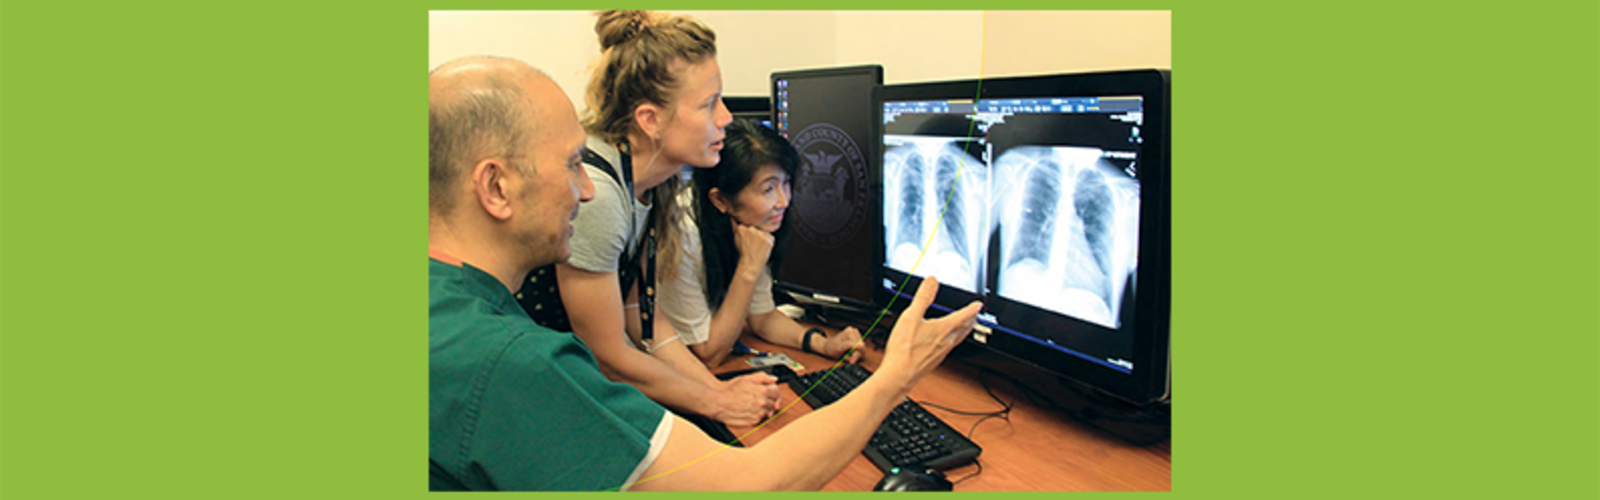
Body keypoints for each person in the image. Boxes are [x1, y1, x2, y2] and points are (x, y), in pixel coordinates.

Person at [429, 55, 982, 491]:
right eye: (573, 163)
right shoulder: (505, 362)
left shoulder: (446, 306)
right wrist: (897, 374)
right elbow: (754, 484)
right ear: (496, 187)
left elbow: (646, 320)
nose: (588, 187)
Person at [513, 10, 776, 426]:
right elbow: (608, 356)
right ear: (650, 120)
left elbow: (640, 313)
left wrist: (714, 389)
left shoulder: (648, 179)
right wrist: (715, 402)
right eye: (709, 104)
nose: (726, 117)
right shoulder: (598, 196)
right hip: (525, 391)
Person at [658, 118, 865, 368]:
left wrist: (823, 344)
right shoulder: (680, 235)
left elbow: (762, 317)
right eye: (768, 189)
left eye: (786, 183)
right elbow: (708, 353)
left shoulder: (748, 225)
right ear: (720, 200)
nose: (783, 201)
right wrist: (748, 268)